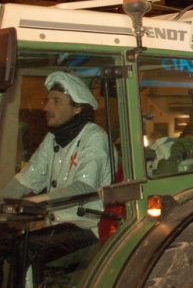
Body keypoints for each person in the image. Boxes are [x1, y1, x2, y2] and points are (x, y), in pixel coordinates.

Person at [0, 72, 113, 287]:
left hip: (88, 226)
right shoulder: (53, 138)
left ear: (78, 107)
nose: (46, 107)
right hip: (58, 223)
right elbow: (26, 179)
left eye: (56, 101)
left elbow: (84, 187)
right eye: (47, 100)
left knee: (27, 246)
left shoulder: (94, 137)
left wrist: (35, 202)